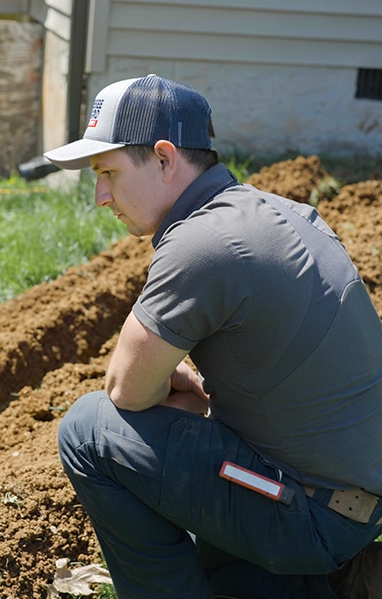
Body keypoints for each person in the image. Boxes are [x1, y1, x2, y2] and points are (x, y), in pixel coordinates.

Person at [44, 74, 382, 599]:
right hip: (355, 505)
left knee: (89, 430)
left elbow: (125, 391)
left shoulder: (202, 242)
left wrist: (171, 395)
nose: (100, 196)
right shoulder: (284, 212)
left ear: (164, 158)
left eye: (108, 172)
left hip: (314, 517)